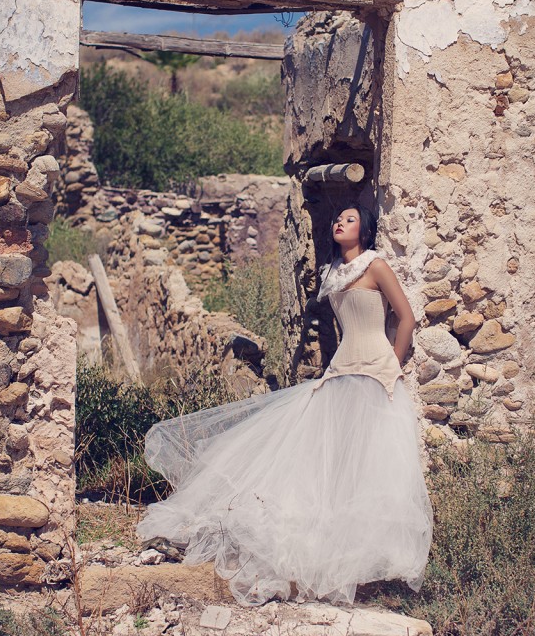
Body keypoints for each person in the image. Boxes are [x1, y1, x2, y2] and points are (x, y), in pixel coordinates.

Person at [137, 202, 433, 607]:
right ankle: (323, 543)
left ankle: (369, 566)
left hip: (378, 376)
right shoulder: (332, 274)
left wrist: (393, 366)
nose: (339, 223)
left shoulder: (375, 265)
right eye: (337, 218)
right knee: (325, 459)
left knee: (372, 464)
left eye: (349, 219)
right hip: (341, 372)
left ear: (364, 229)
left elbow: (407, 317)